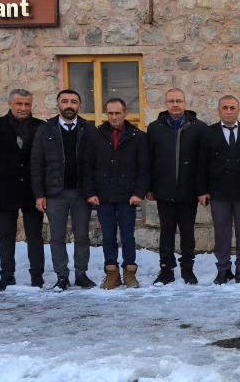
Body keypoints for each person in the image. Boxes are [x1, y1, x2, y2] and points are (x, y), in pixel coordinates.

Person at [31, 89, 97, 290]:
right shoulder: (46, 129)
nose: (69, 105)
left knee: (82, 235)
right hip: (55, 193)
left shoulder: (89, 129)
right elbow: (36, 163)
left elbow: (95, 163)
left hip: (81, 192)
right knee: (57, 237)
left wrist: (93, 191)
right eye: (65, 101)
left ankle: (81, 274)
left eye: (74, 102)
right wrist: (39, 194)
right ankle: (62, 275)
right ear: (58, 104)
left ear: (79, 105)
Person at [84, 98, 149, 290]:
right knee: (108, 236)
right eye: (110, 113)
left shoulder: (138, 136)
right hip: (104, 196)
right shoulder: (96, 136)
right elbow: (87, 167)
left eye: (117, 113)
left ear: (125, 113)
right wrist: (91, 192)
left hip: (128, 196)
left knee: (128, 236)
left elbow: (144, 168)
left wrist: (139, 192)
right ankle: (111, 273)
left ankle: (130, 272)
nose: (114, 117)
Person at [0, 88, 44, 290]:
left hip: (32, 190)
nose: (23, 108)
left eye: (27, 104)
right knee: (7, 235)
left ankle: (37, 276)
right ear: (10, 104)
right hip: (4, 189)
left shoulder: (40, 127)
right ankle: (7, 275)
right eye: (19, 104)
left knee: (35, 235)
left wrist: (42, 192)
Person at [146, 88, 205, 285]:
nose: (175, 105)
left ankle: (188, 270)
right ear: (166, 104)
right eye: (171, 101)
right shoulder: (155, 128)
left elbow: (203, 163)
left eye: (179, 101)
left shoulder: (198, 127)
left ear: (185, 103)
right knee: (167, 231)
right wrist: (150, 187)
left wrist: (202, 189)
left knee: (188, 232)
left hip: (189, 191)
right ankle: (166, 270)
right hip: (164, 190)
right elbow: (149, 160)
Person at [198, 95, 240, 285]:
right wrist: (202, 190)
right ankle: (223, 269)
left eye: (232, 107)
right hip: (219, 193)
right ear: (219, 110)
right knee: (222, 233)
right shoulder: (208, 133)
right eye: (225, 108)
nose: (229, 111)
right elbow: (201, 164)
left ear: (238, 110)